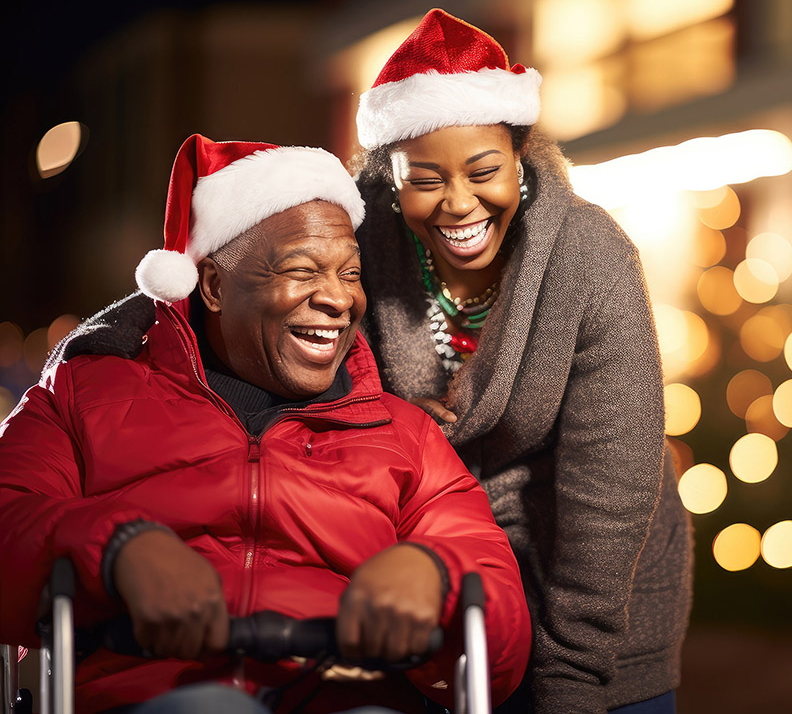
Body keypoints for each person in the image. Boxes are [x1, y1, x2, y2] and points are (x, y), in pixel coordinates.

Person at [51, 9, 692, 713]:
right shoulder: (362, 250)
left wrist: (572, 680)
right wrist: (140, 316)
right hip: (434, 589)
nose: (458, 203)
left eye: (484, 170)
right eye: (425, 179)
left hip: (592, 581)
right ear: (388, 178)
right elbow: (237, 283)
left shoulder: (588, 257)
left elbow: (611, 486)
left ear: (518, 157)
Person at [0, 134, 530, 714]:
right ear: (214, 286)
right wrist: (115, 548)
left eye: (351, 275)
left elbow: (497, 617)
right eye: (303, 270)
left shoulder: (405, 435)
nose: (337, 298)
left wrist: (437, 577)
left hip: (348, 697)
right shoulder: (85, 393)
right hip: (153, 692)